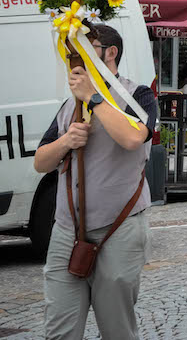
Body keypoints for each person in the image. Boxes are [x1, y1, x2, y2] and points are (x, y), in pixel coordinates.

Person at [34, 24, 158, 339]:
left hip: (119, 229)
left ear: (110, 53)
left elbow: (133, 138)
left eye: (86, 48)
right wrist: (65, 143)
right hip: (66, 232)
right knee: (59, 329)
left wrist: (94, 97)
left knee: (116, 330)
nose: (75, 57)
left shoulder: (138, 94)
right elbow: (41, 162)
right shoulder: (68, 105)